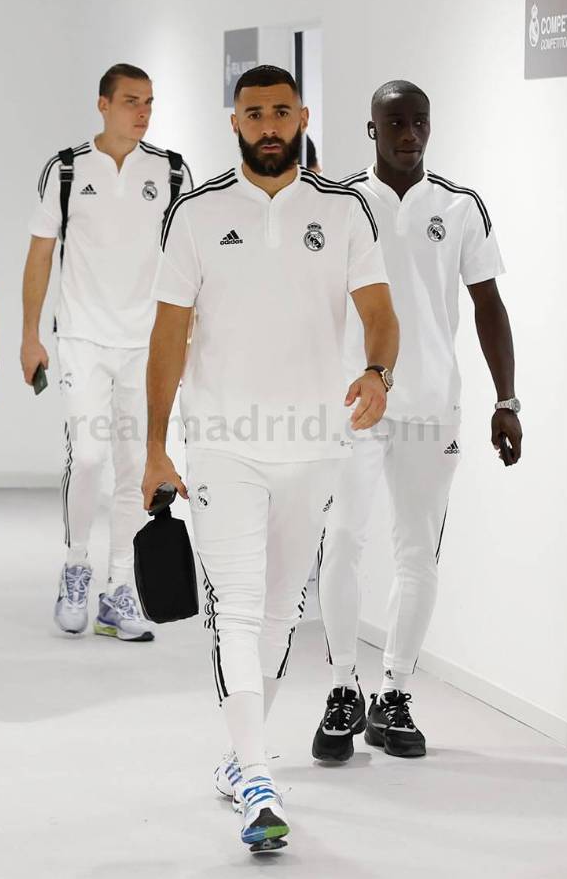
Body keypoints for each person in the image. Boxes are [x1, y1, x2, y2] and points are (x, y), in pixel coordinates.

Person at [142, 65, 399, 853]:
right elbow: (167, 337)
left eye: (280, 112)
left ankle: (239, 755)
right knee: (238, 608)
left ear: (302, 116)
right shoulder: (195, 213)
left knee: (284, 612)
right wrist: (153, 446)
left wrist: (377, 372)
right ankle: (256, 778)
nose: (267, 127)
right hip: (222, 443)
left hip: (313, 445)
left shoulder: (343, 209)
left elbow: (379, 312)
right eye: (253, 114)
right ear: (234, 121)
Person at [311, 80, 522, 762]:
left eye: (419, 122)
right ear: (372, 130)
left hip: (432, 408)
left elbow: (488, 305)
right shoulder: (341, 202)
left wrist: (506, 400)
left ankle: (395, 692)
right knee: (343, 539)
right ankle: (342, 686)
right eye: (395, 123)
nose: (409, 134)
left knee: (417, 554)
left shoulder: (458, 207)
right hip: (356, 405)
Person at [21, 63, 193, 643]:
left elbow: (188, 259)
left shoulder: (171, 171)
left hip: (147, 342)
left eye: (149, 102)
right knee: (89, 455)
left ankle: (119, 590)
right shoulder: (67, 169)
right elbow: (40, 255)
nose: (142, 112)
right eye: (130, 101)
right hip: (82, 338)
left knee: (133, 466)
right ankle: (76, 565)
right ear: (103, 104)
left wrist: (189, 334)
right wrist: (29, 335)